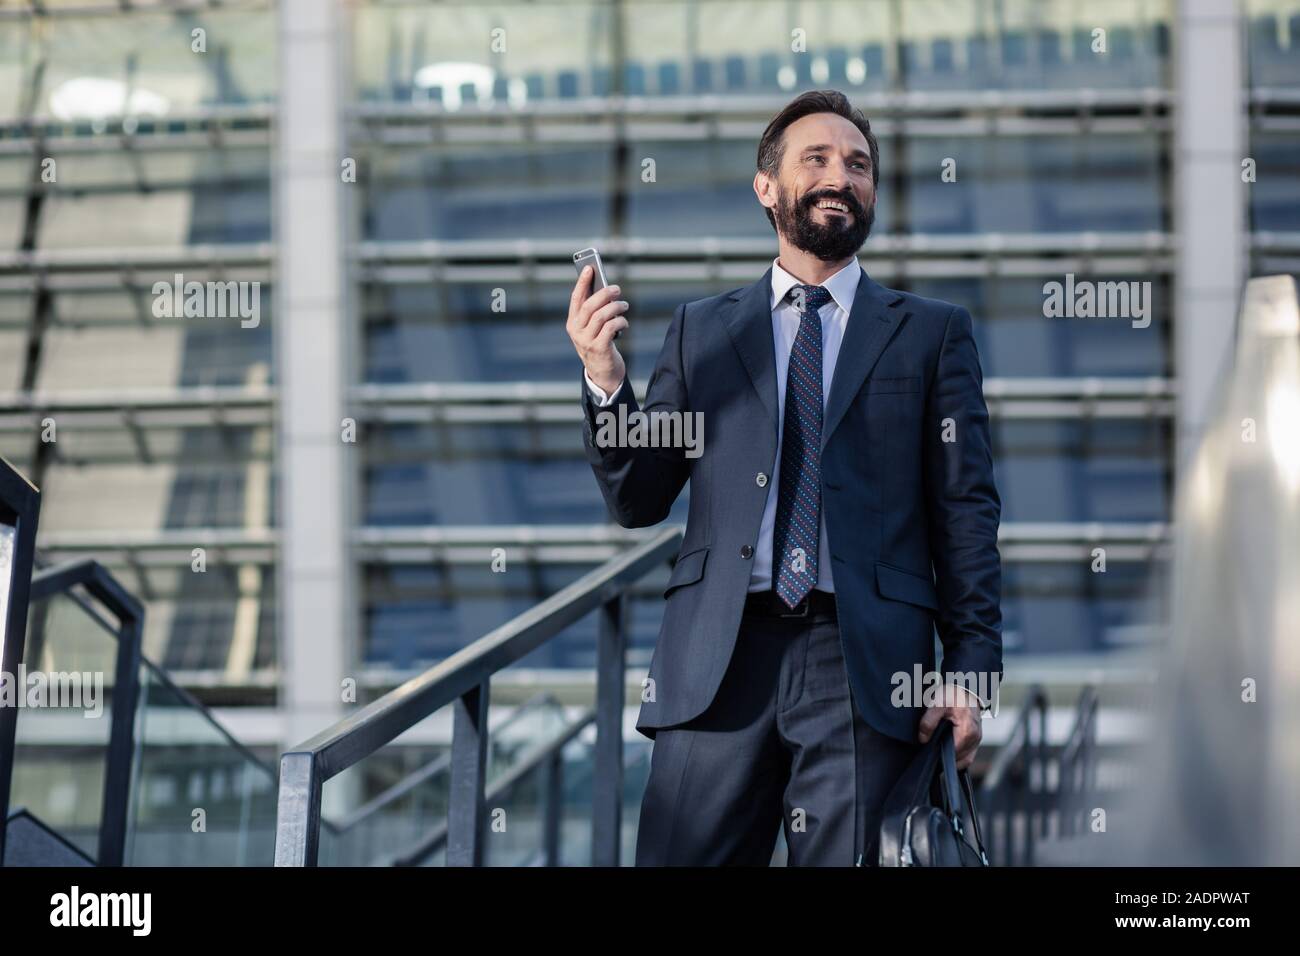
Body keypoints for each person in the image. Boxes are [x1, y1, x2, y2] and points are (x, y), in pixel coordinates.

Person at [565, 89, 1002, 866]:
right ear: (767, 187)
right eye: (819, 159)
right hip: (716, 662)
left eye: (859, 164)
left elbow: (965, 512)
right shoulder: (704, 330)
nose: (843, 176)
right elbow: (639, 496)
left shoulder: (932, 334)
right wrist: (606, 381)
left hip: (864, 665)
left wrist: (969, 675)